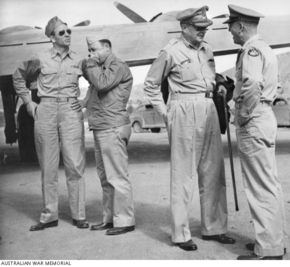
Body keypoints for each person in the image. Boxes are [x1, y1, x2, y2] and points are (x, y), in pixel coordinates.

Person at [143, 6, 235, 251]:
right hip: (182, 108)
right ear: (184, 27)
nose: (203, 32)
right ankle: (181, 234)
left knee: (214, 171)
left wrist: (220, 86)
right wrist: (166, 115)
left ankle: (214, 228)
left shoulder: (207, 50)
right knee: (183, 175)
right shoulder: (170, 51)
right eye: (198, 28)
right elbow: (151, 85)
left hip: (208, 107)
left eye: (205, 28)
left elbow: (210, 78)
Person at [13, 16, 89, 231]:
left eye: (69, 32)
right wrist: (28, 102)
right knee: (48, 165)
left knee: (75, 164)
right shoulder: (39, 58)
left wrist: (85, 101)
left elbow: (96, 80)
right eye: (62, 33)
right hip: (45, 110)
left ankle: (79, 215)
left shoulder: (78, 59)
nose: (67, 35)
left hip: (70, 111)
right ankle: (49, 216)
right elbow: (18, 76)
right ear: (51, 38)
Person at [223, 4, 286, 260]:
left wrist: (244, 116)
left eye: (231, 28)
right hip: (265, 116)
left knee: (259, 186)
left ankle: (269, 249)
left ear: (241, 26)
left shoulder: (250, 50)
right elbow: (272, 84)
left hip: (254, 119)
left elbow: (251, 85)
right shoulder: (266, 49)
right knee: (269, 184)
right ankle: (272, 242)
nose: (231, 34)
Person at [71, 36, 135, 235]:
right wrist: (83, 103)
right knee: (106, 177)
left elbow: (101, 84)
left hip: (113, 126)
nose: (91, 54)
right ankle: (110, 218)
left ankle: (125, 221)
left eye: (95, 49)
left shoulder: (117, 65)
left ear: (107, 47)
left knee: (117, 176)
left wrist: (87, 63)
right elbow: (93, 88)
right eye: (89, 50)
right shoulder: (101, 67)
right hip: (102, 126)